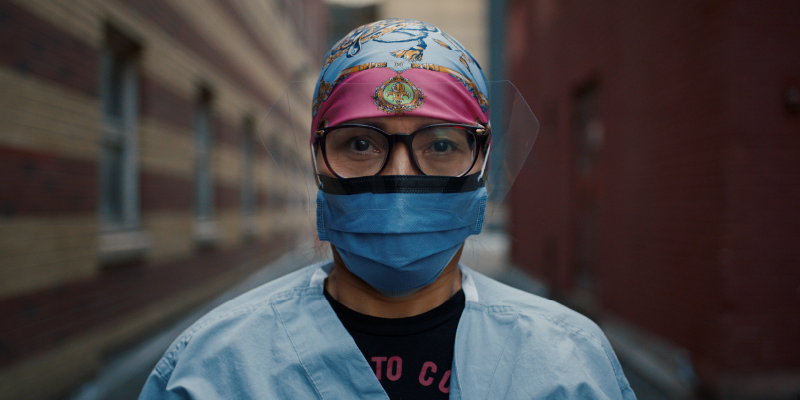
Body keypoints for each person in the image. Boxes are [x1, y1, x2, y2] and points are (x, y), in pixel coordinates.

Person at [139, 19, 635, 399]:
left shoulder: (569, 366)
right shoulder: (215, 370)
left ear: (481, 161)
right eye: (360, 143)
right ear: (317, 160)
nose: (401, 179)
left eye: (440, 146)